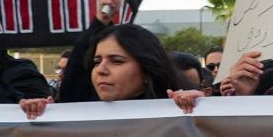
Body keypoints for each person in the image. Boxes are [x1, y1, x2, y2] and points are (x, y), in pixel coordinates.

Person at [20, 23, 178, 116]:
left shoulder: (181, 115)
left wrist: (197, 106)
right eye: (96, 61)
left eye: (116, 61)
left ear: (147, 70)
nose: (101, 70)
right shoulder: (76, 116)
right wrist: (39, 116)